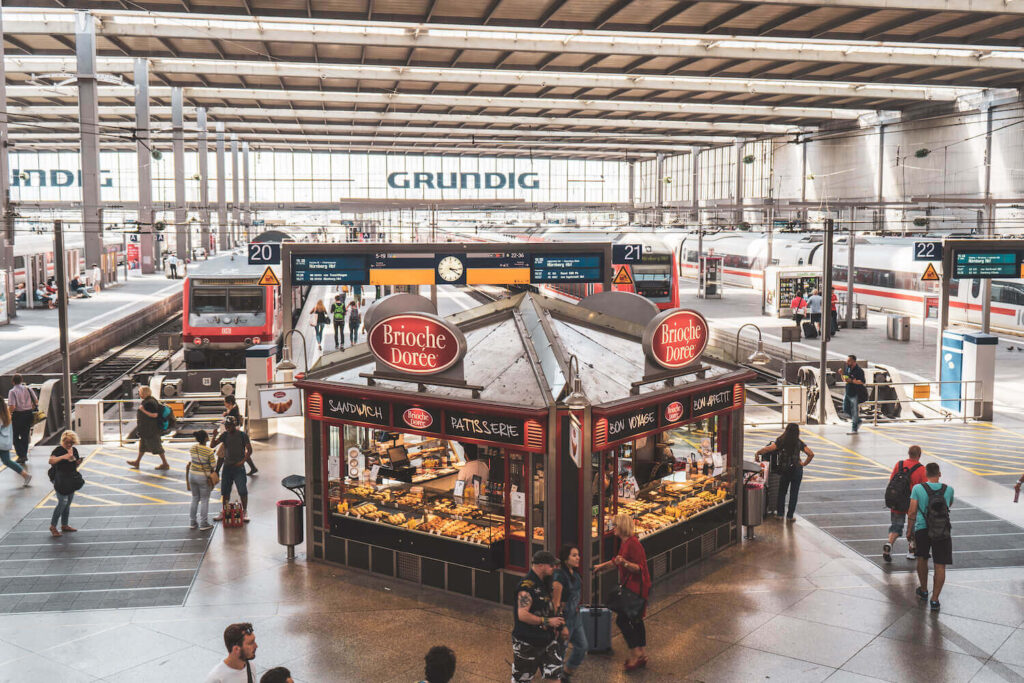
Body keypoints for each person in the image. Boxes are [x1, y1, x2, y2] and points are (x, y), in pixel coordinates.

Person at [595, 513, 651, 671]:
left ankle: (635, 654)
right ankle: (641, 653)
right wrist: (601, 567)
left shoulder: (633, 543)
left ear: (622, 527)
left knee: (623, 621)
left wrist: (625, 563)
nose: (613, 529)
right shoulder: (625, 543)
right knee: (636, 619)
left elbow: (639, 568)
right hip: (634, 586)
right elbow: (617, 560)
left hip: (636, 587)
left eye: (615, 526)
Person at [907, 462, 954, 611]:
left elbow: (912, 511)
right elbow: (948, 505)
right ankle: (935, 600)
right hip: (942, 530)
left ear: (926, 474)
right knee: (940, 564)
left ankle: (924, 590)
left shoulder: (917, 489)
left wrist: (909, 530)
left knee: (922, 559)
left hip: (922, 529)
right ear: (939, 474)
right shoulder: (949, 489)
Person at [512, 550, 564, 683]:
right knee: (522, 680)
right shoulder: (526, 587)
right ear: (541, 565)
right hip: (527, 643)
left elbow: (548, 606)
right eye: (551, 565)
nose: (554, 568)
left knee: (554, 676)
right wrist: (547, 621)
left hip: (547, 640)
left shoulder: (544, 583)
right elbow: (522, 615)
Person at [755, 423, 814, 522]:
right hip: (797, 470)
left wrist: (758, 452)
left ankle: (780, 514)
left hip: (785, 470)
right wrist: (803, 463)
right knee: (794, 494)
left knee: (782, 492)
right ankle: (790, 516)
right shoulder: (799, 442)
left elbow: (768, 449)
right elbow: (810, 454)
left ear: (786, 430)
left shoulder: (781, 441)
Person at [883, 445, 928, 562]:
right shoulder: (921, 469)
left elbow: (892, 480)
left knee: (896, 526)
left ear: (908, 453)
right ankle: (911, 551)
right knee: (913, 527)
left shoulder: (899, 464)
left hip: (897, 501)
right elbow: (924, 488)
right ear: (919, 455)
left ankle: (889, 543)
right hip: (911, 502)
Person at [552, 545, 586, 681]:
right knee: (560, 653)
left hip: (575, 617)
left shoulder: (575, 573)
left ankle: (566, 673)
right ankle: (556, 678)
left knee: (582, 647)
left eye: (578, 554)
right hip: (564, 619)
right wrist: (561, 626)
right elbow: (556, 604)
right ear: (566, 559)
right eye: (574, 555)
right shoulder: (559, 577)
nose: (578, 557)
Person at [214, 417, 252, 522]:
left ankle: (245, 511)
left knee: (242, 490)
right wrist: (214, 436)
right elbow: (213, 445)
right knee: (225, 492)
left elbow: (249, 450)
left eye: (229, 425)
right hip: (227, 467)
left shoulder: (242, 435)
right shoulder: (225, 435)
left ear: (234, 425)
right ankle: (225, 511)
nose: (227, 428)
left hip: (238, 467)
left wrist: (243, 461)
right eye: (226, 426)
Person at [48, 430, 82, 537]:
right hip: (60, 478)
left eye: (71, 443)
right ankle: (53, 526)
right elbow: (51, 461)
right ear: (63, 441)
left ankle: (64, 524)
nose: (69, 445)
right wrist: (64, 457)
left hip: (70, 478)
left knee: (68, 502)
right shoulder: (59, 450)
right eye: (67, 442)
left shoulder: (74, 450)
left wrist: (76, 462)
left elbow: (73, 465)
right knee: (63, 501)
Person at [127, 386, 170, 470]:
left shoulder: (149, 403)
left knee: (157, 447)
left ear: (143, 393)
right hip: (146, 430)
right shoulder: (150, 400)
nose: (139, 394)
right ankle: (137, 462)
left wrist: (143, 410)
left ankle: (165, 463)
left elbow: (154, 415)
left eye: (139, 392)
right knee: (142, 446)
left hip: (151, 430)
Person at [189, 430, 217, 531]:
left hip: (192, 475)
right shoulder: (209, 451)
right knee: (204, 500)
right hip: (203, 477)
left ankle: (192, 522)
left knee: (195, 498)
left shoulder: (193, 448)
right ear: (205, 438)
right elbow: (213, 465)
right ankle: (203, 523)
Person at [0, 396, 31, 486]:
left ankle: (26, 475)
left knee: (7, 461)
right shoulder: (6, 415)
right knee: (7, 461)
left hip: (1, 443)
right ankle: (25, 475)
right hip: (4, 443)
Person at [8, 374, 38, 465]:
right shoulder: (28, 389)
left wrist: (9, 414)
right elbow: (36, 401)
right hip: (28, 414)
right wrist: (29, 408)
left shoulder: (12, 391)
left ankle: (21, 455)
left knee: (15, 435)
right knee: (25, 435)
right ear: (21, 380)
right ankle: (24, 455)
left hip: (18, 415)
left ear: (13, 382)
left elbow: (12, 406)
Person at [841, 354, 866, 435]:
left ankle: (854, 429)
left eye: (848, 361)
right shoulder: (848, 368)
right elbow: (845, 379)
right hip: (848, 392)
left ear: (853, 362)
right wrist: (841, 374)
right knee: (845, 409)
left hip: (855, 393)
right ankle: (858, 421)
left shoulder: (859, 370)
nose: (846, 362)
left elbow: (862, 381)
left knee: (854, 411)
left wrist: (852, 381)